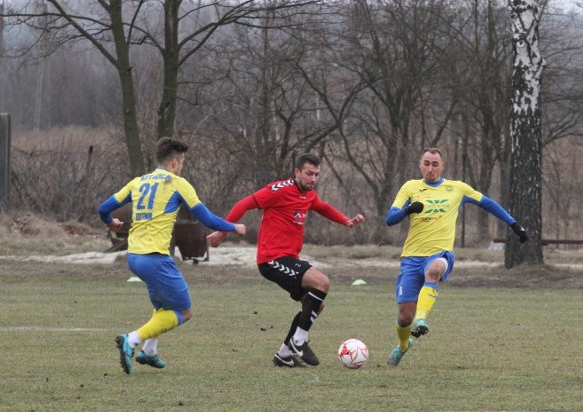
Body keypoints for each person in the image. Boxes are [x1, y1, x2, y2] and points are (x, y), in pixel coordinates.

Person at [99, 137, 247, 374]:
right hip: (155, 258)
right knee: (184, 312)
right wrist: (233, 227)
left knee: (163, 307)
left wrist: (112, 223)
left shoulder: (138, 182)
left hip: (135, 257)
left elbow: (103, 208)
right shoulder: (177, 184)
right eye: (183, 162)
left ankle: (150, 350)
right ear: (176, 163)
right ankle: (132, 339)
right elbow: (206, 219)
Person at [207, 153, 364, 368]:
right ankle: (299, 340)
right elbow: (243, 204)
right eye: (309, 174)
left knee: (316, 304)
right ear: (297, 172)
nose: (313, 179)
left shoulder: (308, 195)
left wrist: (346, 221)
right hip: (271, 258)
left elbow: (323, 207)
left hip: (289, 258)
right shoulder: (278, 191)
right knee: (322, 282)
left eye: (317, 175)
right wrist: (223, 231)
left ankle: (284, 354)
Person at [384, 147, 528, 367]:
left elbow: (488, 203)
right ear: (420, 164)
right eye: (426, 163)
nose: (430, 168)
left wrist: (514, 225)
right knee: (404, 317)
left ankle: (421, 319)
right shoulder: (410, 187)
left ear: (443, 166)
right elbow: (390, 219)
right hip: (412, 257)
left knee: (434, 271)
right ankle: (403, 345)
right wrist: (408, 210)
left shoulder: (457, 189)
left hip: (440, 253)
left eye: (434, 164)